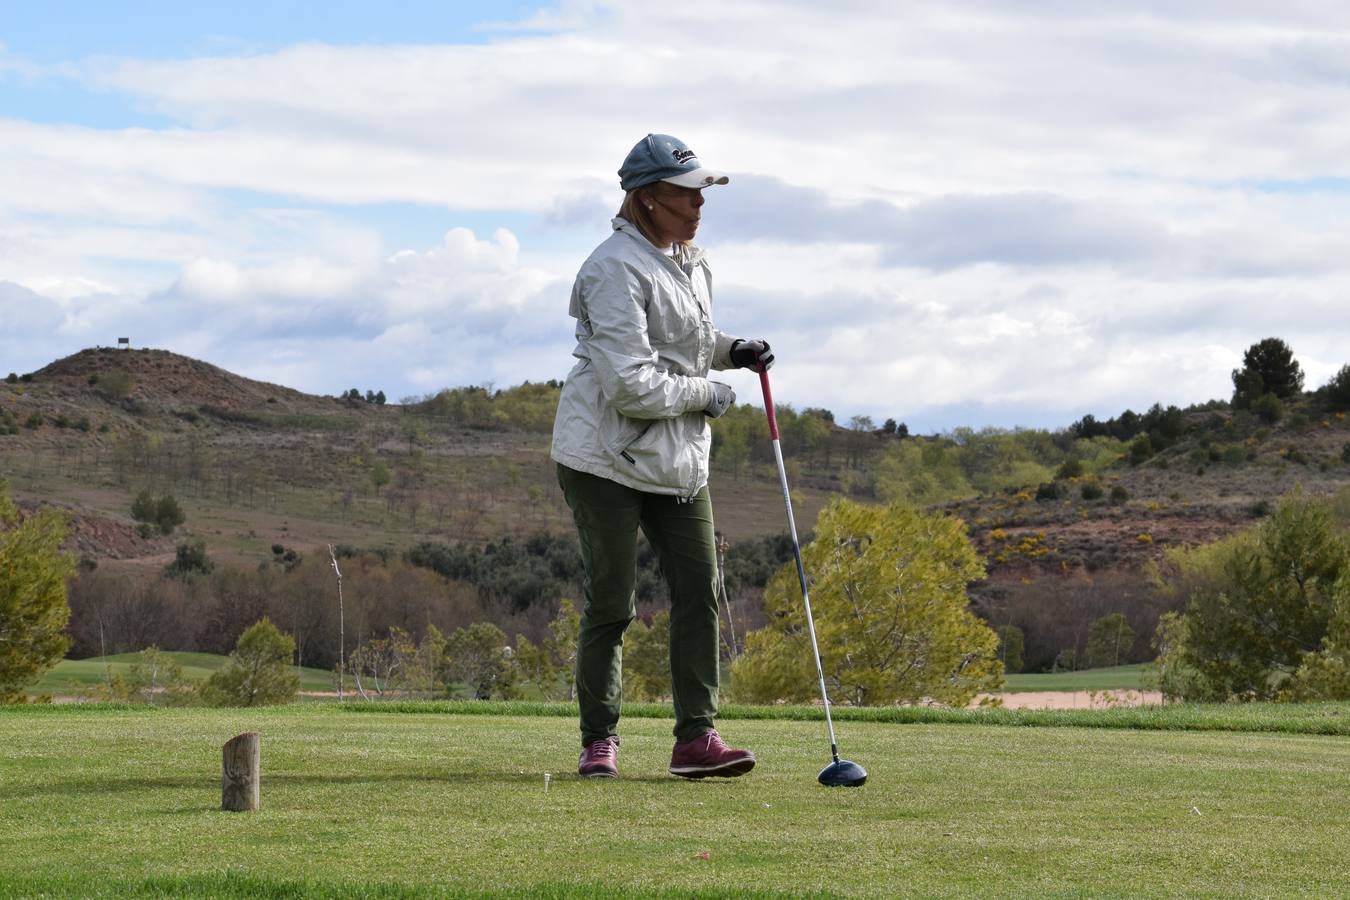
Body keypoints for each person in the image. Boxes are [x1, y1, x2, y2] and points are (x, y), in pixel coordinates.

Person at [551, 134, 774, 779]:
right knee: (613, 602)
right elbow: (632, 385)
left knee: (700, 592)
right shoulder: (611, 267)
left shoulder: (693, 261)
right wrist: (712, 393)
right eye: (685, 192)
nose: (699, 202)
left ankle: (695, 740)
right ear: (648, 199)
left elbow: (685, 342)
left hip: (677, 459)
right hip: (604, 457)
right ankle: (600, 741)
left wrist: (733, 351)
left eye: (702, 190)